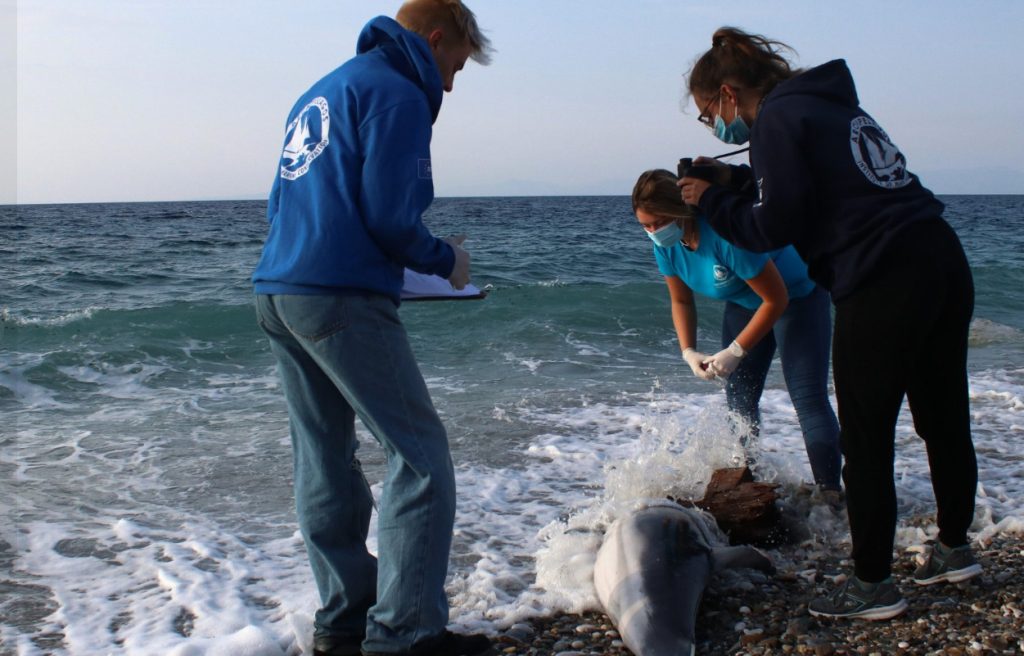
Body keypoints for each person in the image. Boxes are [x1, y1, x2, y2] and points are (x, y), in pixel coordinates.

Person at [679, 27, 980, 621]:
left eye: (707, 112)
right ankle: (953, 548)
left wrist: (708, 201)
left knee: (866, 439)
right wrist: (736, 182)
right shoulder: (826, 105)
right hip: (941, 257)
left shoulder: (776, 122)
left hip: (882, 276)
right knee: (943, 418)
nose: (713, 125)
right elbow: (815, 188)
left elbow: (773, 225)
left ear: (728, 92)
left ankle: (873, 585)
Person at [251, 2, 495, 655]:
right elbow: (391, 217)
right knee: (420, 458)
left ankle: (345, 622)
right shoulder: (399, 93)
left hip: (279, 290)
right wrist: (447, 261)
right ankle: (406, 634)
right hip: (339, 297)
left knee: (324, 458)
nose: (449, 85)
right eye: (456, 66)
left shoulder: (322, 90)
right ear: (436, 38)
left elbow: (283, 203)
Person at [632, 169, 842, 492]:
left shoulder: (723, 235)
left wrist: (735, 351)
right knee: (740, 397)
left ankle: (830, 499)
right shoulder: (666, 247)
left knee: (807, 397)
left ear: (680, 210)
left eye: (658, 222)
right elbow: (681, 301)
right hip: (744, 304)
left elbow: (776, 298)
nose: (653, 232)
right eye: (645, 226)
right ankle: (749, 486)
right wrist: (688, 351)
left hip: (797, 295)